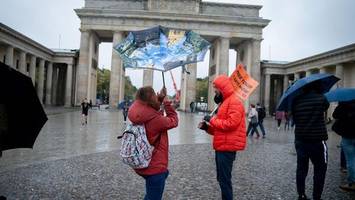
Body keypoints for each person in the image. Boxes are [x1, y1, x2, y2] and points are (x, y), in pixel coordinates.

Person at [198, 74, 246, 200]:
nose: (215, 93)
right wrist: (206, 127)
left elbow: (231, 124)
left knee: (224, 180)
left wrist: (212, 119)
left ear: (222, 89)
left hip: (227, 148)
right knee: (221, 179)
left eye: (216, 91)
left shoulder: (234, 102)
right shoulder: (224, 103)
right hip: (221, 146)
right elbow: (220, 130)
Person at [128, 86, 178, 200]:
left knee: (152, 193)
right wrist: (166, 103)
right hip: (155, 166)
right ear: (151, 99)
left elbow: (151, 112)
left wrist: (159, 100)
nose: (157, 95)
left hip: (143, 163)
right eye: (154, 95)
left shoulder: (138, 114)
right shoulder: (156, 120)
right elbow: (174, 121)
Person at [291, 81, 329, 200]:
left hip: (301, 139)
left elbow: (295, 118)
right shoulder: (321, 98)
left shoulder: (296, 101)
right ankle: (316, 197)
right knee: (320, 169)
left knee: (301, 168)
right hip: (317, 139)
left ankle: (301, 194)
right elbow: (326, 106)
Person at [332, 100, 355, 191]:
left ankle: (352, 182)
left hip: (347, 135)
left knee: (350, 160)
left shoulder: (344, 104)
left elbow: (335, 115)